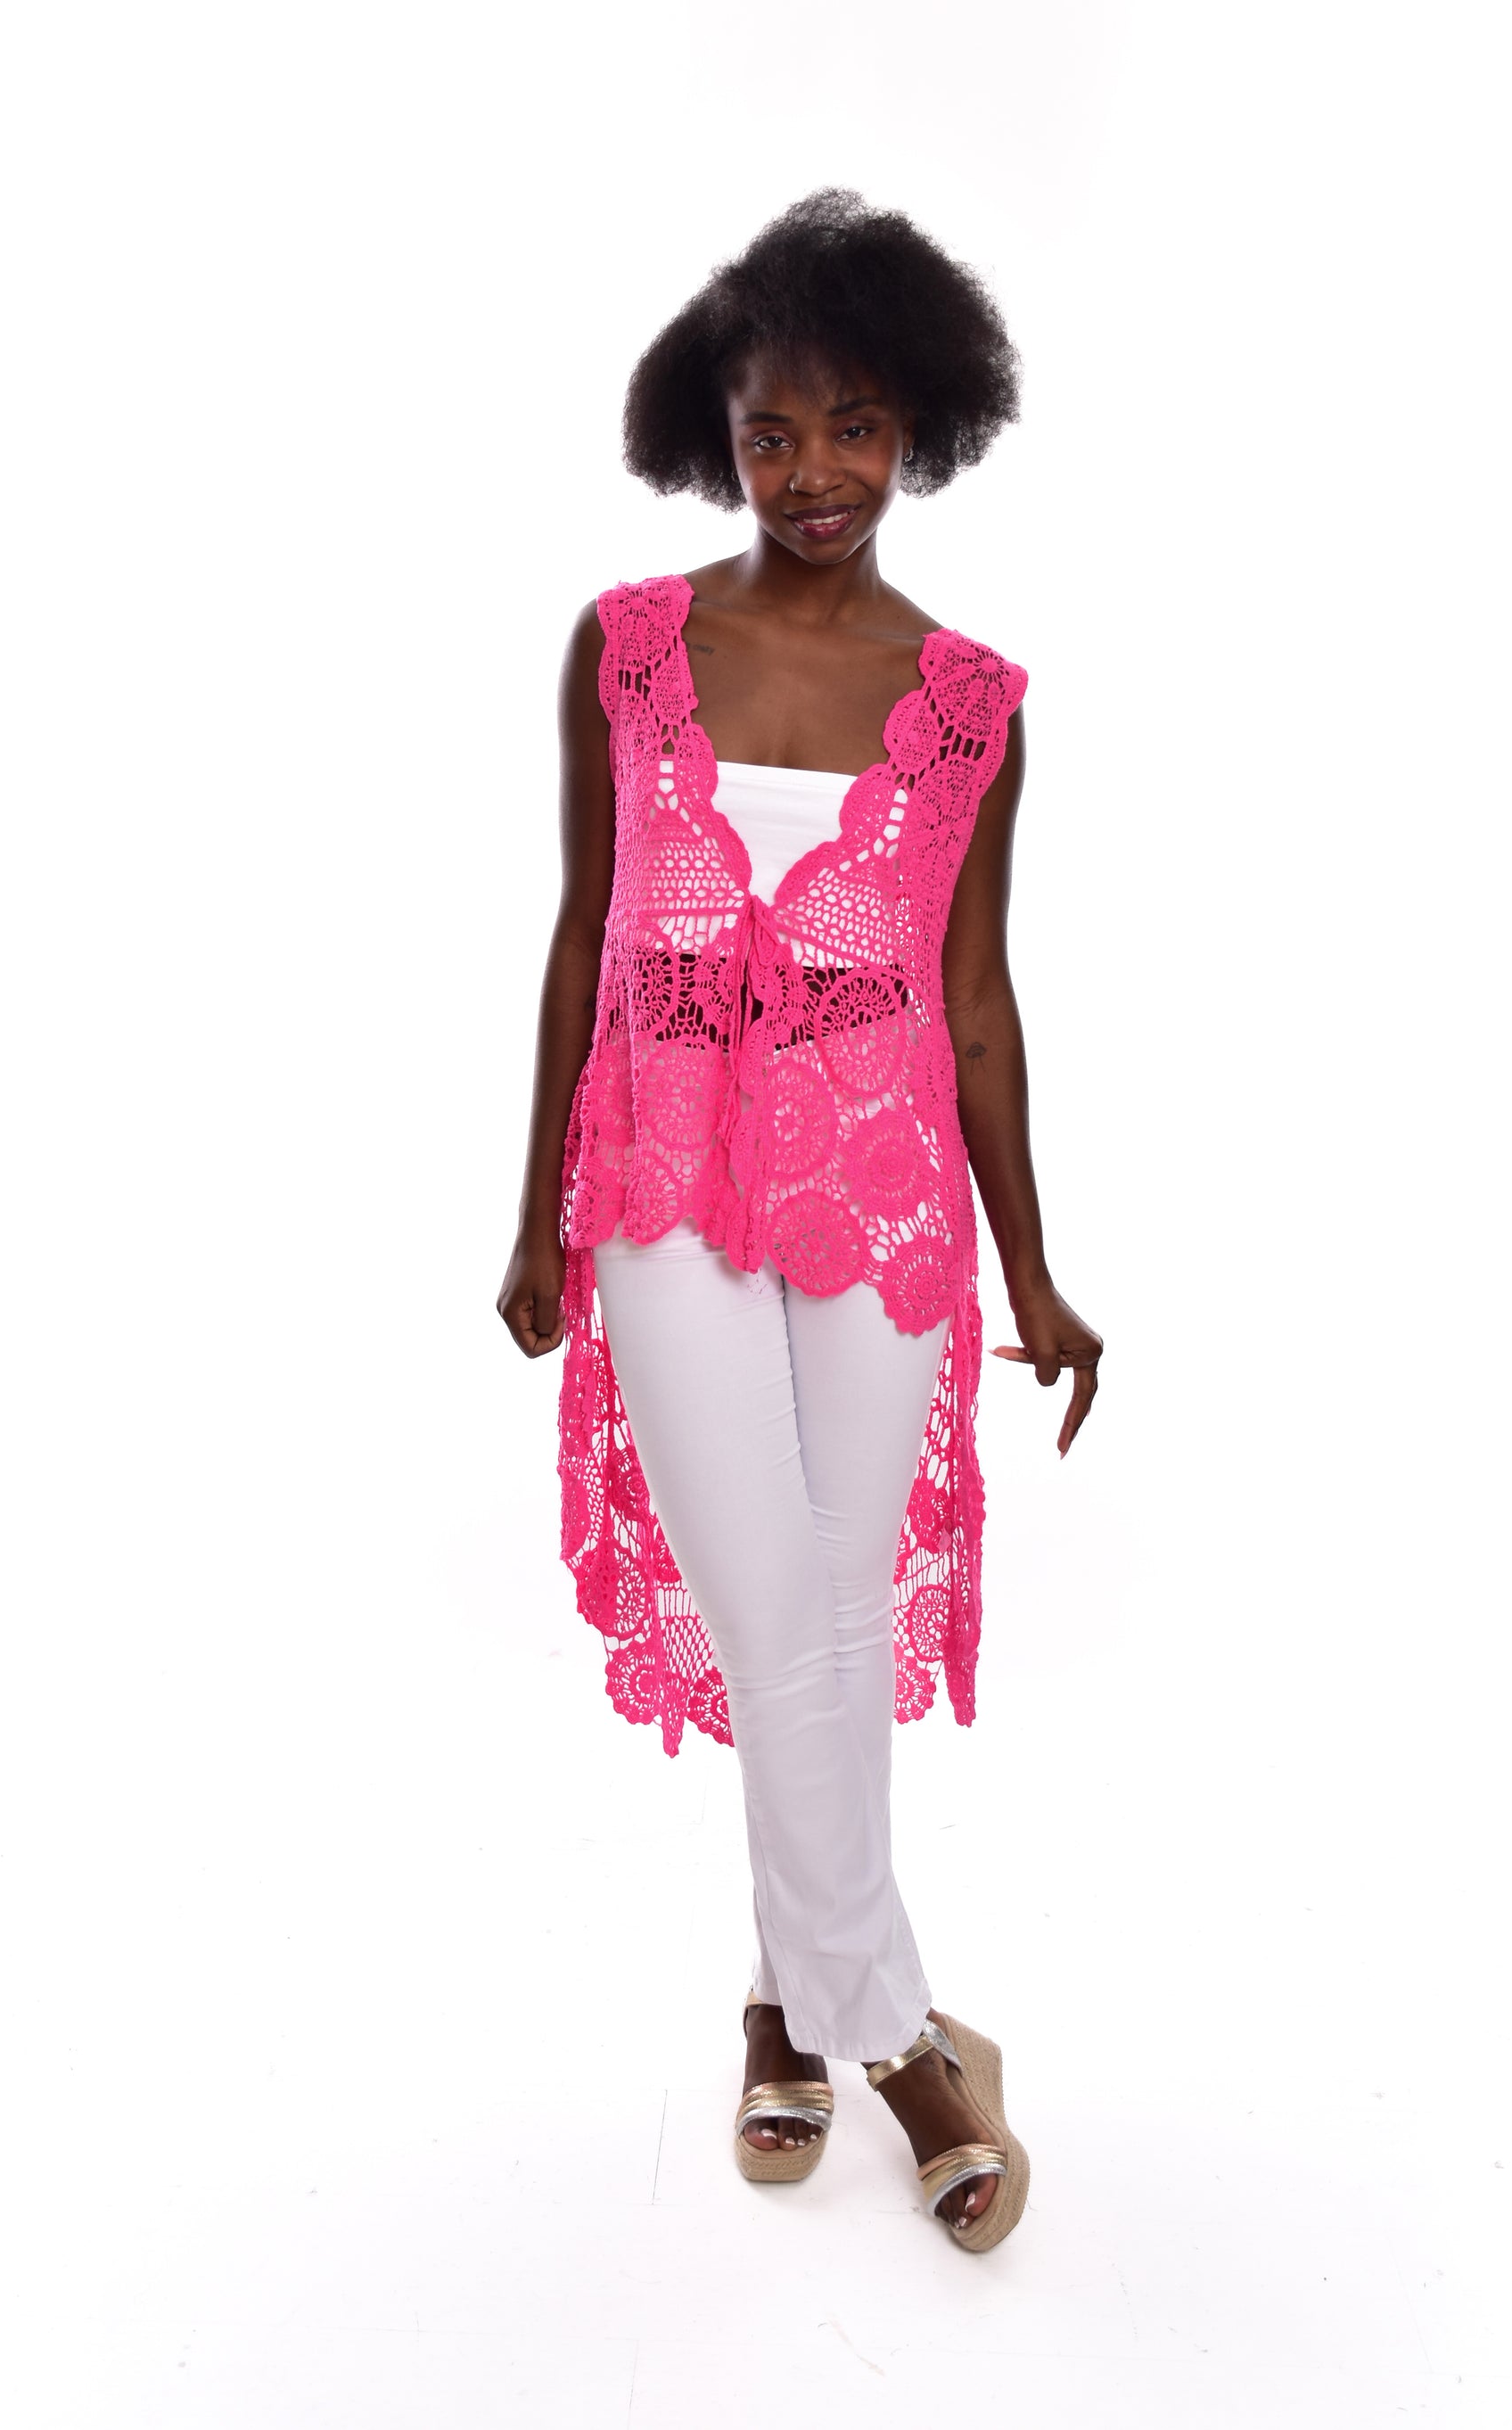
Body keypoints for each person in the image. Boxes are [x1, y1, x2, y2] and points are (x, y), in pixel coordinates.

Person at [496, 189, 1102, 2253]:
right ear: (717, 436)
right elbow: (579, 935)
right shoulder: (627, 649)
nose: (813, 471)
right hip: (660, 1167)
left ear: (915, 426)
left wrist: (1036, 1269)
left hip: (884, 1184)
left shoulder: (970, 701)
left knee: (835, 1616)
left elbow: (977, 997)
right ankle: (912, 2039)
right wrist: (534, 1220)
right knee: (771, 1615)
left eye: (853, 427)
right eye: (771, 433)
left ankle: (783, 2001)